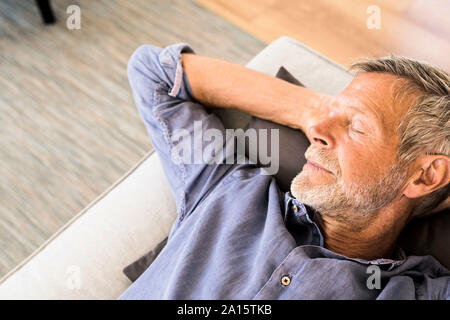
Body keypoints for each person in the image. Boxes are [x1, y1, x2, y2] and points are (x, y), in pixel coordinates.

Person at [118, 42, 450, 299]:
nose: (319, 130)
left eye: (357, 127)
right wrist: (311, 109)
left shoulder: (415, 291)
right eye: (331, 113)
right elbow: (154, 73)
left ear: (425, 175)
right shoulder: (225, 185)